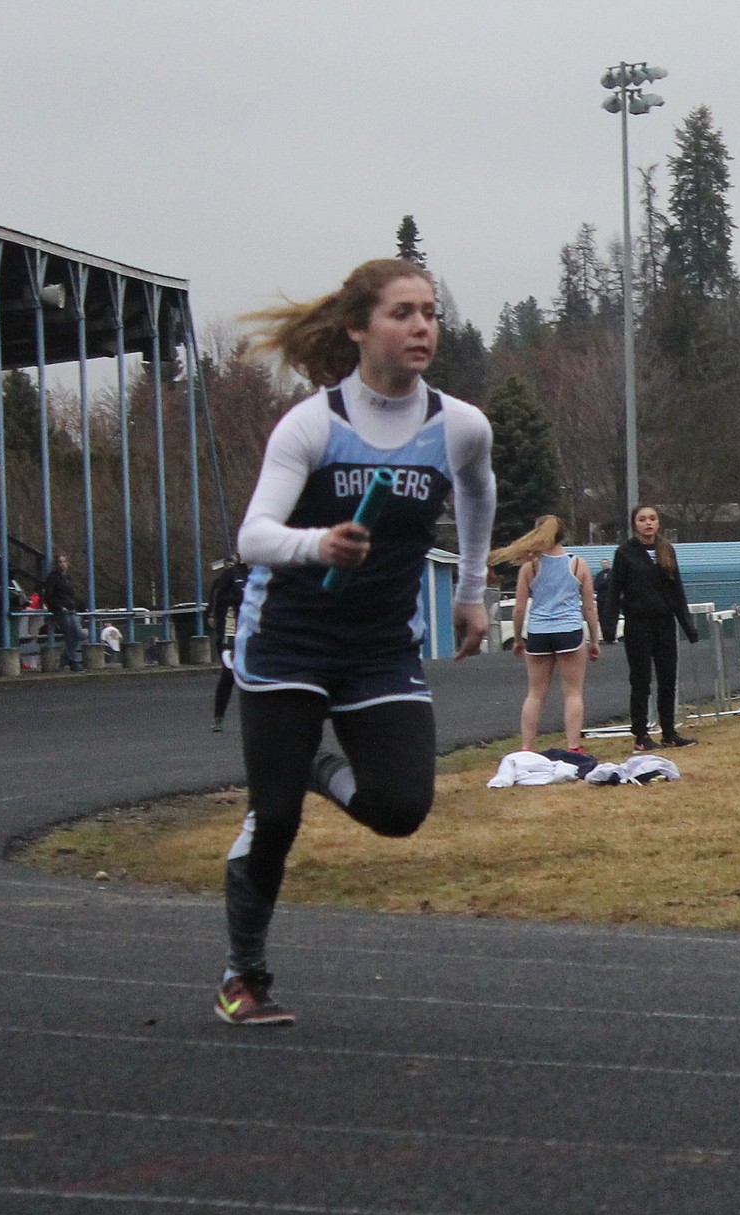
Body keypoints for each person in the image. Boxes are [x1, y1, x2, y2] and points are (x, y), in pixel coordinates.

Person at [216, 257, 496, 1027]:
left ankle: (313, 764)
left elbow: (478, 489)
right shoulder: (313, 424)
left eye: (430, 313)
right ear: (358, 328)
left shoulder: (459, 425)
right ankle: (245, 974)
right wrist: (316, 547)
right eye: (403, 313)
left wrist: (471, 592)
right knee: (274, 818)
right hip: (287, 641)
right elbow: (253, 537)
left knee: (401, 806)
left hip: (379, 646)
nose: (422, 328)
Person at [488, 515, 600, 753]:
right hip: (569, 631)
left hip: (539, 632)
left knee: (535, 694)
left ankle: (526, 748)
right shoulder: (579, 565)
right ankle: (573, 747)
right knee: (572, 693)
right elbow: (589, 606)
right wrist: (595, 639)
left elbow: (519, 608)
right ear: (563, 534)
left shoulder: (530, 566)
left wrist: (518, 639)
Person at [603, 505, 698, 751]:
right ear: (635, 524)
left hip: (664, 623)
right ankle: (641, 735)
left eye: (652, 519)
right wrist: (609, 626)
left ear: (658, 523)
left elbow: (677, 590)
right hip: (638, 624)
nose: (648, 523)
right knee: (641, 680)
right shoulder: (625, 553)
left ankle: (669, 732)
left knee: (668, 678)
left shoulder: (666, 550)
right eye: (642, 519)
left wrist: (687, 624)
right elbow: (615, 590)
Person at [204, 557, 248, 731]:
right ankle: (218, 716)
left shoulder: (261, 573)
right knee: (229, 674)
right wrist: (212, 614)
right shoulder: (230, 575)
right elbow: (218, 599)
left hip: (252, 633)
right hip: (230, 633)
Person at [41, 553, 86, 671]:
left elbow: (72, 595)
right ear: (57, 564)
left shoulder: (68, 578)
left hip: (71, 609)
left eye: (64, 561)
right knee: (72, 634)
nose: (63, 564)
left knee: (77, 634)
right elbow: (49, 596)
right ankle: (72, 660)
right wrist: (59, 606)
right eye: (60, 562)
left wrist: (79, 606)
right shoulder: (53, 577)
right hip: (61, 611)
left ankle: (66, 658)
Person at [592, 556, 614, 643]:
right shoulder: (599, 575)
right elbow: (595, 586)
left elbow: (612, 584)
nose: (604, 565)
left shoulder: (613, 573)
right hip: (601, 600)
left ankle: (611, 637)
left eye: (606, 563)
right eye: (603, 563)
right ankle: (605, 637)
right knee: (602, 618)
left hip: (610, 599)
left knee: (610, 618)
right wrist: (604, 583)